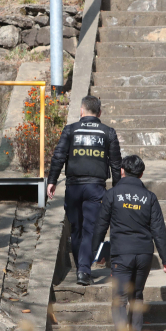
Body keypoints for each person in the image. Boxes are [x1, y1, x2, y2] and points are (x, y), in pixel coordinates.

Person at [91, 155, 166, 331]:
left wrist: (97, 252)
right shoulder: (149, 197)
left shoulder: (113, 194)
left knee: (119, 299)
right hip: (144, 253)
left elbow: (101, 225)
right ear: (142, 174)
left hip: (121, 254)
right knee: (136, 296)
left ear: (122, 171)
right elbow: (159, 230)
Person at [47, 95, 122, 286]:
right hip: (96, 188)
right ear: (100, 112)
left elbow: (58, 156)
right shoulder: (108, 132)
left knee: (77, 229)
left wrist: (52, 180)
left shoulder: (71, 130)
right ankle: (83, 270)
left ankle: (83, 268)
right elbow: (115, 164)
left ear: (81, 111)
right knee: (90, 229)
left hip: (73, 187)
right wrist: (117, 188)